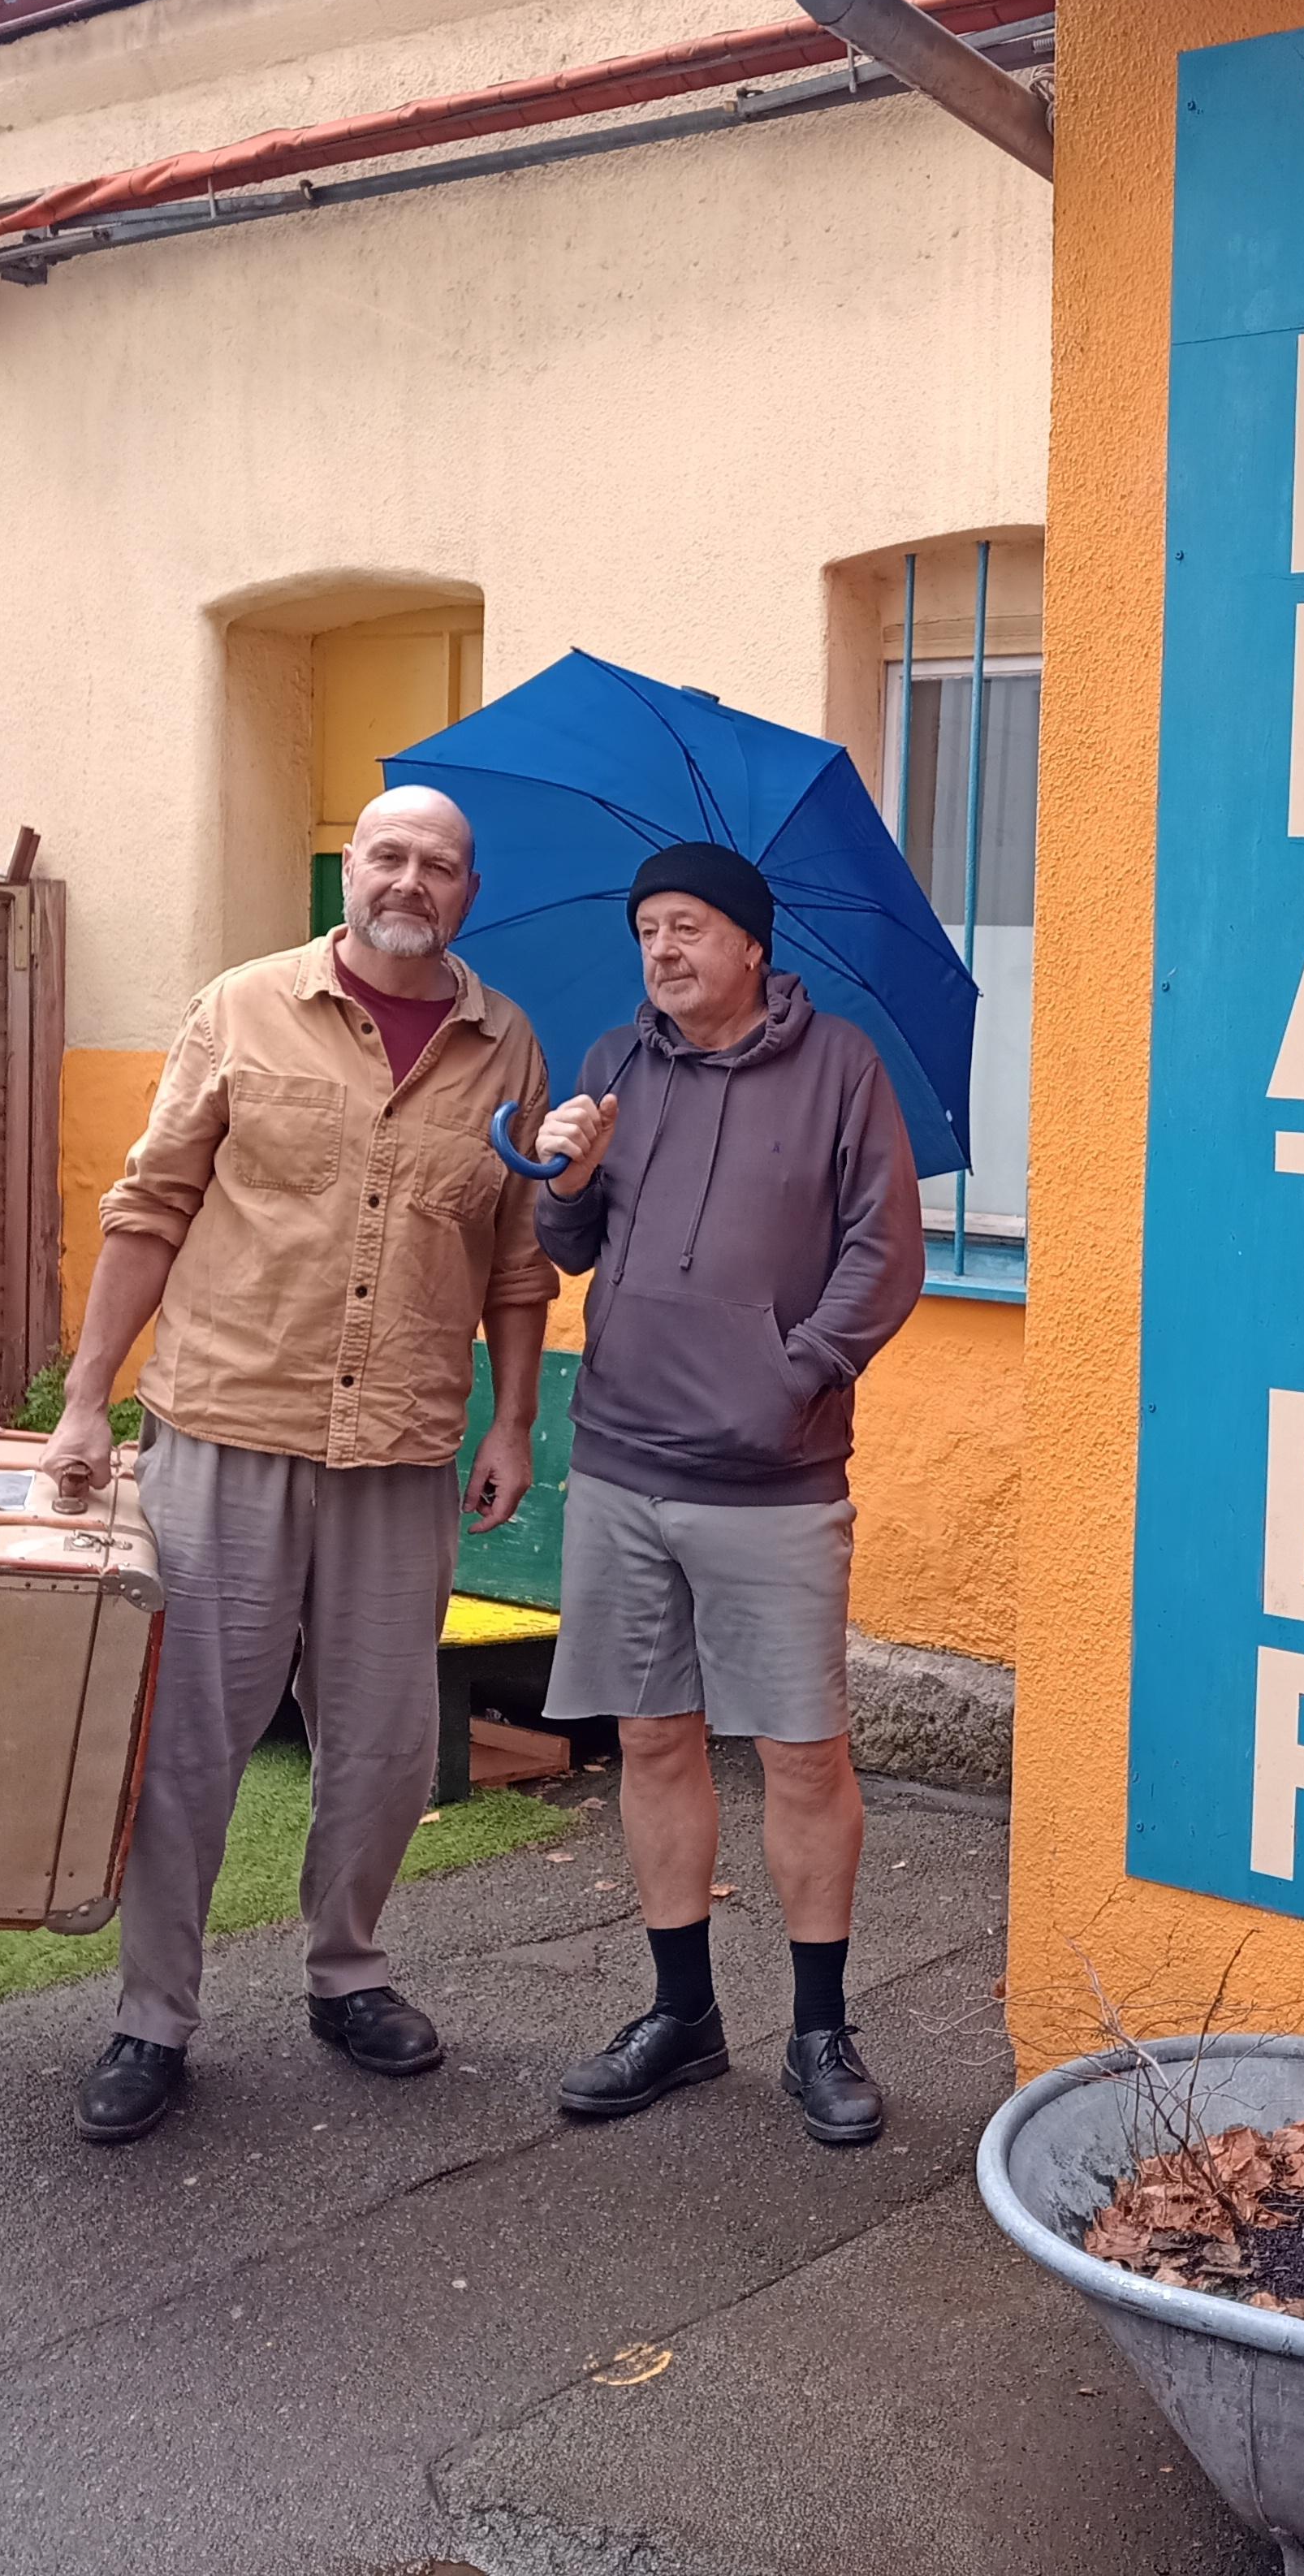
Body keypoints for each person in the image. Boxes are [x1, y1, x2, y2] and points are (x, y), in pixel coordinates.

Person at [38, 785, 556, 2145]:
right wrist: (87, 1400)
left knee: (385, 1751)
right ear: (349, 867)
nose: (411, 880)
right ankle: (154, 2016)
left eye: (441, 865)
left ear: (467, 893)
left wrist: (512, 1422)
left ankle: (349, 1972)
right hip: (225, 1425)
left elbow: (513, 1261)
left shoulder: (508, 1051)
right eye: (388, 853)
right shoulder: (241, 1007)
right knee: (188, 1746)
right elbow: (150, 1207)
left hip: (401, 1448)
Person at [527, 840, 923, 2146]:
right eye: (647, 928)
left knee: (802, 1753)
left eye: (688, 926)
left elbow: (886, 1250)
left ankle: (820, 2029)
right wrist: (561, 1171)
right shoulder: (612, 1067)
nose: (661, 950)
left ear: (754, 944)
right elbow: (570, 1248)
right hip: (625, 1461)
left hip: (773, 1476)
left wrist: (794, 1375)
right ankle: (682, 2015)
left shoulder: (843, 1070)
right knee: (651, 1738)